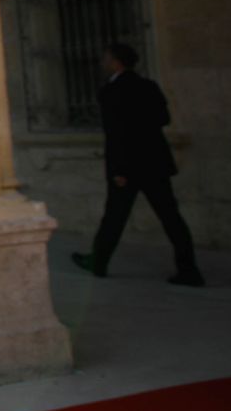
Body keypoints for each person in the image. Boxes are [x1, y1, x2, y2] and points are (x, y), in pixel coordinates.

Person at [73, 42, 204, 286]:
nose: (103, 63)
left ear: (116, 62)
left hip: (128, 168)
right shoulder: (148, 86)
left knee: (114, 217)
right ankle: (189, 269)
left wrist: (119, 170)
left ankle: (98, 261)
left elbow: (116, 134)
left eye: (106, 59)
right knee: (171, 217)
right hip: (155, 163)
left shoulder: (110, 92)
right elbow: (163, 118)